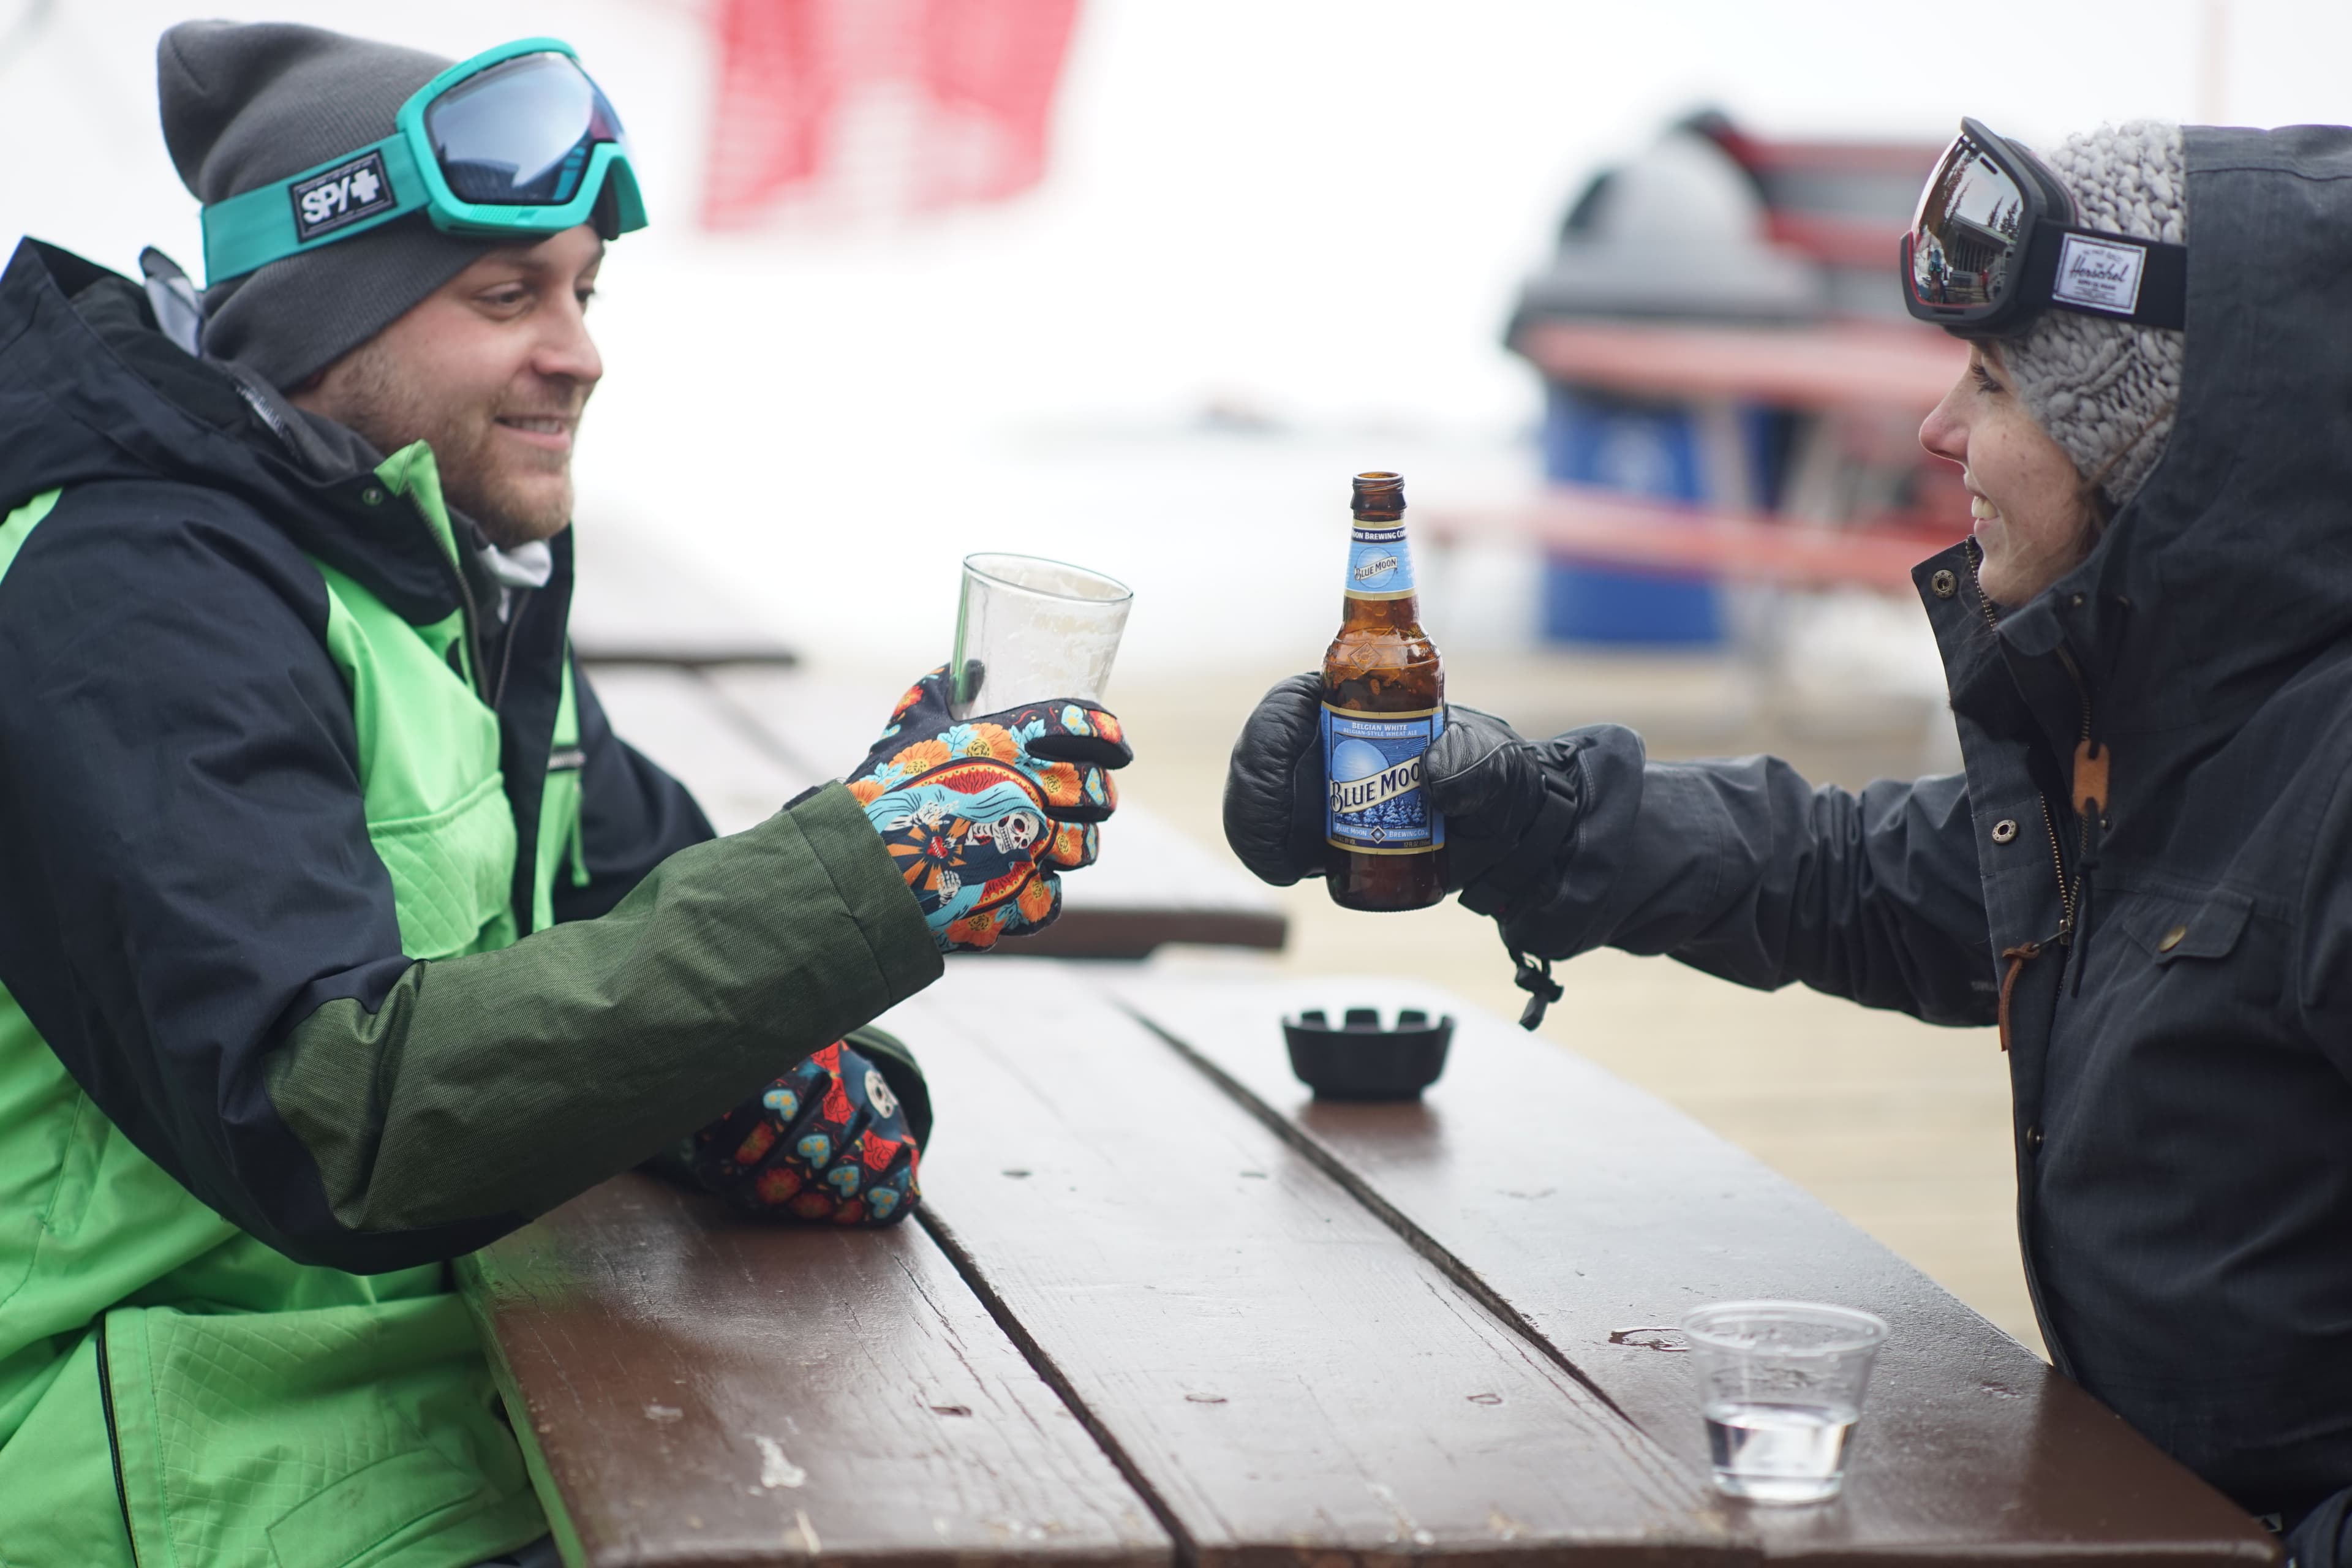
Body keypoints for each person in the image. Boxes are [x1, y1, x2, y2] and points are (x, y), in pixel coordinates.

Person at [0, 21, 1128, 1567]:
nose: (580, 349)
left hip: (421, 1405)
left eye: (586, 291)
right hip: (168, 1479)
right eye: (505, 293)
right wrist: (863, 871)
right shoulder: (132, 591)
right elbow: (332, 1121)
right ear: (319, 309)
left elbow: (656, 923)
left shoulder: (444, 582)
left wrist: (820, 981)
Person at [1229, 119, 2352, 1550]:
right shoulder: (2182, 723)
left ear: (2159, 453)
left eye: (1996, 382)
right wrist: (1512, 812)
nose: (1937, 427)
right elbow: (1863, 878)